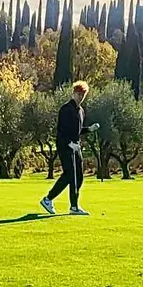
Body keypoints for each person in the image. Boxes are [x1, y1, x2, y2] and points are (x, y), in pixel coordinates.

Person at [40, 81, 99, 216]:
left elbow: (77, 131)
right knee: (70, 175)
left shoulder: (81, 111)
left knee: (78, 176)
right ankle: (51, 200)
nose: (80, 97)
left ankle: (70, 205)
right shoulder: (66, 109)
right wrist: (69, 143)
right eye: (78, 94)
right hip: (65, 146)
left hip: (75, 147)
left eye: (82, 95)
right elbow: (61, 131)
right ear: (73, 94)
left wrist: (89, 129)